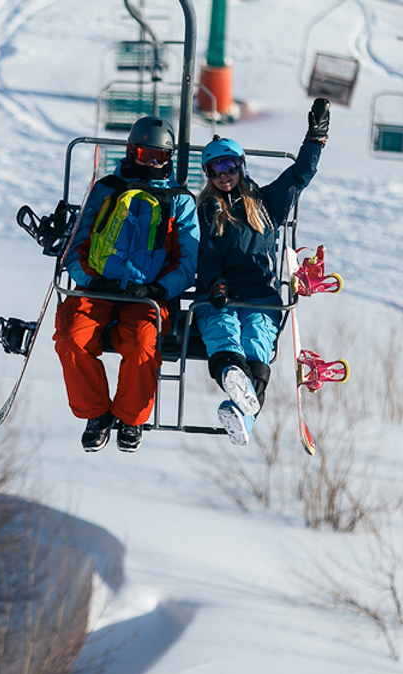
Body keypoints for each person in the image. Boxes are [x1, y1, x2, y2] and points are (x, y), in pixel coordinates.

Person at [53, 116, 199, 453]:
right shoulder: (106, 189)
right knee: (72, 336)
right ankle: (96, 413)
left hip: (144, 295)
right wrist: (89, 279)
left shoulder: (179, 200)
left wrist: (158, 290)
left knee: (143, 342)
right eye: (145, 154)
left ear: (169, 159)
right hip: (97, 287)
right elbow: (78, 243)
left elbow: (187, 261)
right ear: (131, 151)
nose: (150, 163)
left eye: (158, 157)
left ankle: (132, 417)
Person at [194, 98, 331, 445]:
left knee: (257, 337)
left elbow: (300, 175)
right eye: (216, 171)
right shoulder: (207, 211)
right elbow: (206, 256)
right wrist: (214, 285)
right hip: (219, 296)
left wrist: (314, 140)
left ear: (241, 166)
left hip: (259, 295)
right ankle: (233, 380)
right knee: (222, 329)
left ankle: (242, 413)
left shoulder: (266, 203)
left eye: (228, 167)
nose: (224, 176)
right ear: (209, 176)